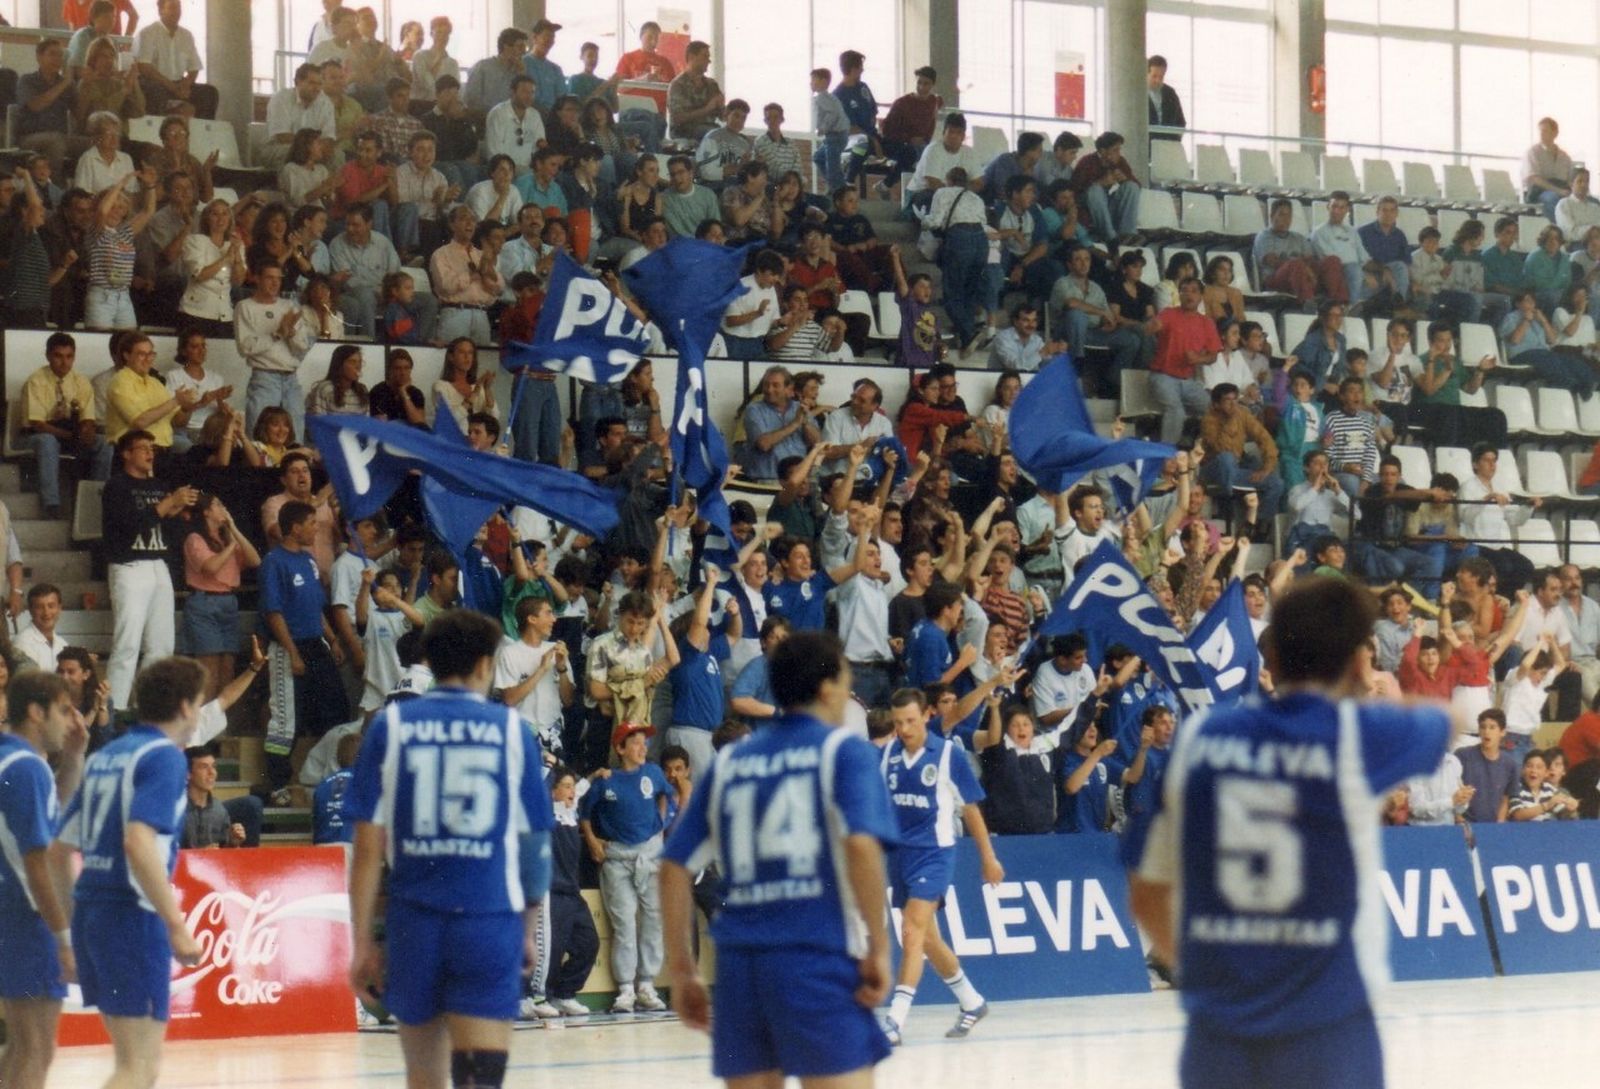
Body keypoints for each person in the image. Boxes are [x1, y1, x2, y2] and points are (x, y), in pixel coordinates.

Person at [1130, 576, 1457, 1089]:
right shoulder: (1357, 735)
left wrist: (1207, 973)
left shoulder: (1198, 737)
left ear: (1272, 659)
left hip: (1219, 1035)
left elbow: (1146, 892)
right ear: (1357, 661)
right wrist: (1368, 690)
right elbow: (1447, 718)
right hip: (1329, 1032)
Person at [661, 629, 896, 1083]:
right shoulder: (843, 751)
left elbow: (673, 867)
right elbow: (862, 847)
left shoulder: (730, 762)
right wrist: (879, 948)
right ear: (827, 688)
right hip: (817, 958)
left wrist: (683, 971)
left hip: (739, 969)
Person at [345, 609, 555, 1089]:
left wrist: (361, 940)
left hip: (415, 924)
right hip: (488, 921)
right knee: (480, 1079)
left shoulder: (389, 727)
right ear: (485, 664)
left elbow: (367, 851)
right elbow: (534, 848)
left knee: (424, 1078)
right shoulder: (511, 731)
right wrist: (527, 929)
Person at [57, 657, 207, 1089]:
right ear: (183, 707)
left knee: (134, 1063)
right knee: (137, 1068)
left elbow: (59, 847)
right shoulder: (164, 757)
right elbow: (138, 841)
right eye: (198, 703)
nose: (199, 714)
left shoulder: (109, 754)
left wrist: (69, 932)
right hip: (131, 916)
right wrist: (177, 925)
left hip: (93, 912)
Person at [879, 686, 1004, 1044]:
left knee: (911, 931)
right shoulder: (887, 754)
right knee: (929, 940)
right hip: (899, 855)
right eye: (898, 722)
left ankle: (895, 1021)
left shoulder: (948, 755)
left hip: (934, 854)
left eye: (911, 721)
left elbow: (971, 809)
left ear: (927, 717)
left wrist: (989, 857)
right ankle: (972, 1001)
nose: (904, 729)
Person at [0, 670, 84, 1089]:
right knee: (36, 1046)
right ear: (36, 712)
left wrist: (73, 757)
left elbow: (53, 823)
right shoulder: (29, 768)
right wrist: (64, 937)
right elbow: (39, 862)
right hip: (24, 919)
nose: (71, 721)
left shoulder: (11, 758)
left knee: (21, 1045)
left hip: (10, 916)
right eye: (64, 711)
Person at [579, 721, 670, 1013]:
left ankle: (647, 984)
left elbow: (670, 793)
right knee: (625, 922)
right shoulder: (606, 780)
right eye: (635, 743)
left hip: (650, 854)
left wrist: (662, 824)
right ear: (620, 749)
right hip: (618, 858)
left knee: (654, 919)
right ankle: (626, 989)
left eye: (645, 742)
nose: (643, 748)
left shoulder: (653, 773)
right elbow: (583, 812)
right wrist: (593, 840)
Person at [260, 501, 349, 795]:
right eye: (311, 523)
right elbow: (274, 613)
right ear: (295, 527)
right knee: (286, 720)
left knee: (335, 709)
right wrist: (293, 653)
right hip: (289, 648)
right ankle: (278, 784)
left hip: (317, 644)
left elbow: (316, 606)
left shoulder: (309, 561)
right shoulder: (274, 562)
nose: (316, 528)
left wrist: (332, 639)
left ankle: (333, 780)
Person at [101, 430, 193, 708]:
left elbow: (171, 532)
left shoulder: (160, 486)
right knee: (127, 643)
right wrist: (167, 505)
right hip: (129, 565)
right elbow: (130, 525)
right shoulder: (116, 486)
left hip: (158, 564)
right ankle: (113, 711)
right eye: (143, 448)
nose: (150, 453)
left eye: (152, 447)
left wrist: (177, 513)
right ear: (126, 454)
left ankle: (146, 707)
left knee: (161, 645)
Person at [22, 332, 114, 519]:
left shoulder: (81, 381)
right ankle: (51, 503)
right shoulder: (35, 381)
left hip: (70, 433)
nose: (64, 363)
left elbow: (88, 417)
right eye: (58, 356)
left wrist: (87, 430)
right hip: (36, 435)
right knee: (47, 441)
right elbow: (37, 424)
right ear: (48, 356)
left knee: (104, 443)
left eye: (69, 356)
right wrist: (72, 436)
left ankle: (95, 501)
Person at [235, 262, 317, 438]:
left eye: (278, 279)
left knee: (296, 435)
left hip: (291, 379)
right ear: (257, 278)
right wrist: (277, 333)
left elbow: (303, 346)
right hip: (264, 377)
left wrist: (291, 332)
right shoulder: (245, 306)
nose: (275, 283)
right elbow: (245, 347)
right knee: (259, 436)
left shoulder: (290, 306)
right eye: (269, 278)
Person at [1149, 278, 1222, 444]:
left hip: (1189, 382)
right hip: (1163, 377)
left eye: (1194, 290)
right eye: (1184, 290)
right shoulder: (1168, 313)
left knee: (1214, 410)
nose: (1189, 294)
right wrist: (1152, 326)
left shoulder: (1207, 323)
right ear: (1179, 295)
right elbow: (1154, 326)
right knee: (1176, 411)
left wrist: (1198, 359)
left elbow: (1213, 356)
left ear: (1201, 296)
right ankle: (1166, 458)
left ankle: (1200, 446)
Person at [134, 0, 216, 119]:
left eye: (178, 8)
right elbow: (145, 67)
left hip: (179, 84)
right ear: (161, 10)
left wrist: (186, 85)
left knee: (209, 93)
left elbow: (194, 68)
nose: (176, 12)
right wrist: (172, 87)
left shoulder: (187, 35)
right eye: (172, 8)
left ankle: (200, 133)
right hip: (156, 84)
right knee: (155, 93)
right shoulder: (147, 33)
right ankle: (160, 134)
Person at [1068, 131, 1139, 246]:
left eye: (1119, 150)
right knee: (1095, 190)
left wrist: (1126, 178)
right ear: (1102, 151)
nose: (1118, 154)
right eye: (1115, 150)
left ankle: (1127, 234)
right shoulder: (1087, 162)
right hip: (1089, 212)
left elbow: (1137, 185)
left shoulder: (1120, 162)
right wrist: (1100, 183)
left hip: (1108, 208)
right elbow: (1074, 194)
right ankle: (1110, 237)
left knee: (1131, 186)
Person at [1523, 116, 1574, 220]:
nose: (1541, 134)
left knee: (1592, 202)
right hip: (1540, 193)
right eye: (1540, 131)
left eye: (1545, 131)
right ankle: (1558, 232)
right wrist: (1558, 191)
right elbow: (1534, 179)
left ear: (1555, 133)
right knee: (1553, 199)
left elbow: (1570, 181)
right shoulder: (1533, 152)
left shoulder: (1565, 157)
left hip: (1563, 190)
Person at [1147, 55, 1186, 139]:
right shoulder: (1137, 94)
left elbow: (1181, 121)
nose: (1158, 80)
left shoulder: (1170, 93)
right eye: (1154, 76)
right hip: (1146, 145)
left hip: (1168, 144)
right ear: (1146, 73)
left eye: (1161, 77)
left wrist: (1176, 140)